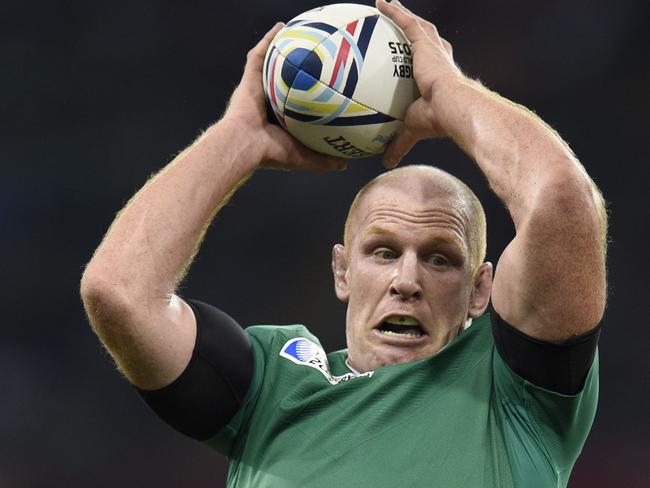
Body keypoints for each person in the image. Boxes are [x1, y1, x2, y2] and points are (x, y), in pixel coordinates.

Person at [80, 0, 607, 486]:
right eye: (382, 251)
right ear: (342, 271)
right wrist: (237, 137)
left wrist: (451, 93)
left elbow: (563, 202)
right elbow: (119, 293)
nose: (406, 281)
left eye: (440, 259)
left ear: (479, 290)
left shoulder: (516, 393)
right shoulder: (270, 384)